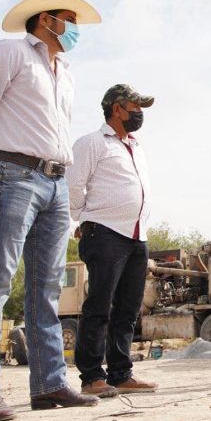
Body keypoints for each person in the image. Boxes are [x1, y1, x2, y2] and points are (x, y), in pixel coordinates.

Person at [0, 0, 102, 421]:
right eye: (69, 18)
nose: (75, 28)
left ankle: (49, 385)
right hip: (13, 177)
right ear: (46, 20)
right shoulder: (10, 53)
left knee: (48, 289)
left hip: (56, 183)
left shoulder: (66, 70)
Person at [67, 84, 158, 398]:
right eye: (135, 106)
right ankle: (92, 376)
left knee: (128, 310)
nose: (139, 113)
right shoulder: (92, 143)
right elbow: (73, 187)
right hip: (105, 233)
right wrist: (83, 219)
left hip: (136, 236)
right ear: (116, 108)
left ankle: (121, 374)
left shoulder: (135, 145)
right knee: (99, 307)